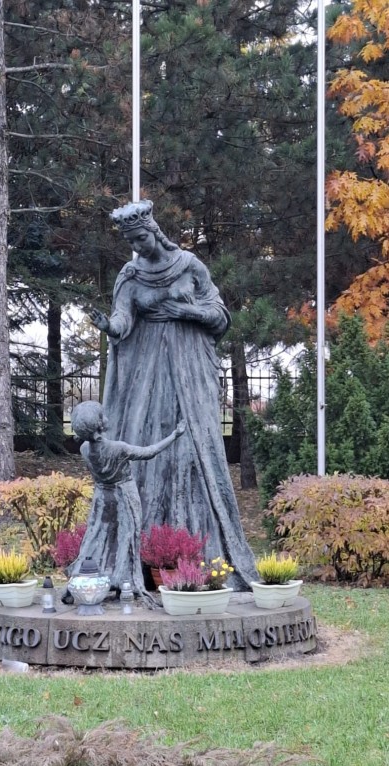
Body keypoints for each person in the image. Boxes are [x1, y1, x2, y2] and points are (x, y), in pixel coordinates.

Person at [89, 199, 258, 591]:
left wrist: (187, 312)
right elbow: (123, 320)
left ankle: (198, 553)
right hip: (146, 376)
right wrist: (109, 326)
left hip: (189, 368)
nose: (137, 247)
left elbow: (220, 317)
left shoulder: (189, 265)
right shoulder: (130, 275)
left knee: (191, 449)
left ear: (153, 231)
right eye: (131, 241)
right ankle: (144, 556)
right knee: (146, 447)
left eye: (140, 238)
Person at [67, 400, 186, 605]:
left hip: (102, 498)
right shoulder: (118, 448)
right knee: (126, 539)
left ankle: (92, 578)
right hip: (124, 496)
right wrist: (175, 435)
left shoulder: (84, 448)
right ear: (99, 425)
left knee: (98, 538)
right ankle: (124, 582)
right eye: (102, 416)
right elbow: (150, 452)